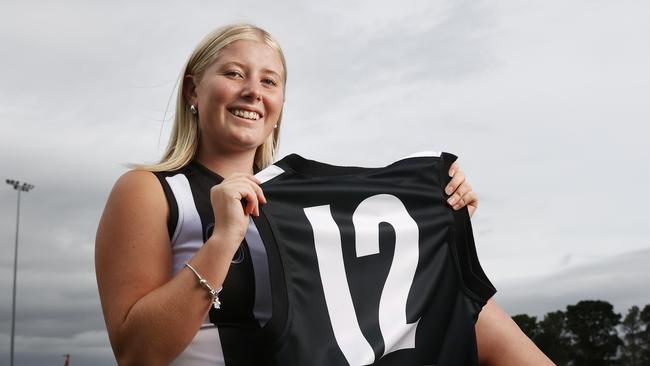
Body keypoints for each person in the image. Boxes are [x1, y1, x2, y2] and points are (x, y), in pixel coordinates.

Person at [95, 24, 553, 365]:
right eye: (234, 74)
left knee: (466, 301)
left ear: (279, 106)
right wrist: (222, 242)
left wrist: (442, 209)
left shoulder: (307, 205)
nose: (253, 91)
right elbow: (137, 355)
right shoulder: (152, 191)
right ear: (194, 89)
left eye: (269, 81)